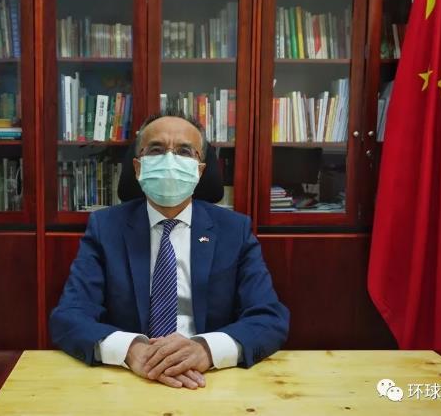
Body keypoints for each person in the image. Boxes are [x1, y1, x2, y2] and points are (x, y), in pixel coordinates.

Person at [49, 112, 290, 390]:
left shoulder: (234, 230)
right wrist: (131, 350)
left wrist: (206, 350)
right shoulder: (106, 227)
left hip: (213, 381)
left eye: (184, 151)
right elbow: (70, 315)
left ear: (199, 170)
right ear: (138, 168)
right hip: (126, 381)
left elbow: (269, 318)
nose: (169, 160)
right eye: (156, 150)